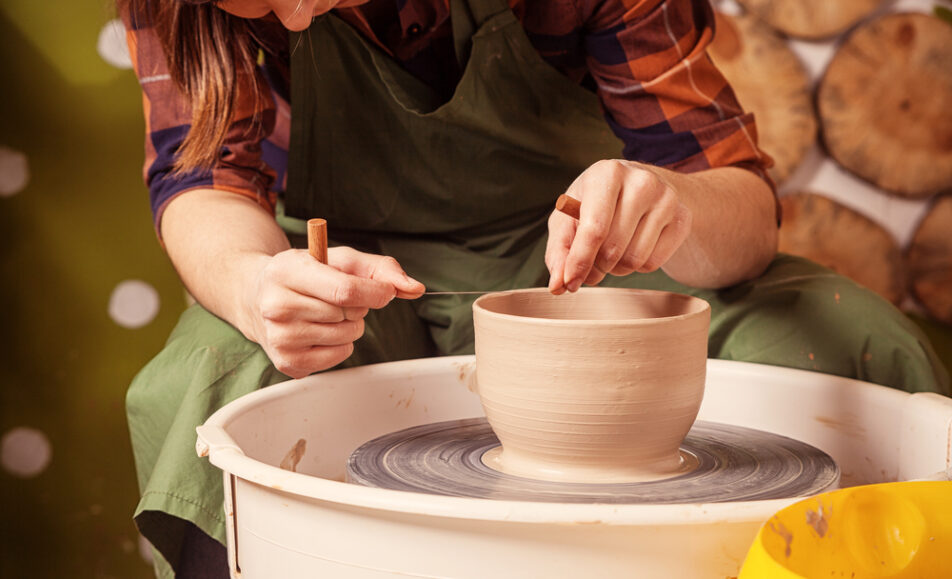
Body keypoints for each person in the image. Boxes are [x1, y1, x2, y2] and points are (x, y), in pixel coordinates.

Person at [118, 0, 949, 576]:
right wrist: (257, 282)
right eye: (256, 7)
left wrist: (677, 204)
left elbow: (741, 208)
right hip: (362, 269)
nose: (295, 18)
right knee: (219, 372)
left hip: (584, 252)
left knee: (844, 337)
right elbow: (201, 177)